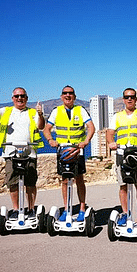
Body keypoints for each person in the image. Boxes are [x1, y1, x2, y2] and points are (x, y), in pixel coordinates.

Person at [0, 87, 45, 215]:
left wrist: (40, 114)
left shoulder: (32, 112)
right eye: (16, 96)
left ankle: (31, 209)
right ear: (12, 98)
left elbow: (41, 126)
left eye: (22, 96)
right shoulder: (6, 111)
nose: (19, 98)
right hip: (10, 153)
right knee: (13, 183)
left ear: (26, 98)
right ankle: (16, 209)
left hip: (30, 153)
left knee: (30, 183)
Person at [43, 85, 95, 221]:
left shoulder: (81, 110)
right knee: (65, 180)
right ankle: (66, 209)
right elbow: (46, 129)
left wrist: (86, 141)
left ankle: (82, 209)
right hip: (63, 150)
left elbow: (91, 127)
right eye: (65, 93)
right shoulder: (56, 111)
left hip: (77, 150)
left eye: (70, 93)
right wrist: (50, 140)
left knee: (79, 179)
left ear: (74, 97)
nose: (68, 95)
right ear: (61, 96)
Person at [106, 88, 137, 226]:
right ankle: (125, 213)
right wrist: (111, 143)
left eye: (132, 97)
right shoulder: (117, 116)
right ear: (123, 99)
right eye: (127, 97)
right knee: (123, 186)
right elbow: (110, 133)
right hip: (122, 154)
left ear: (136, 99)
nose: (129, 99)